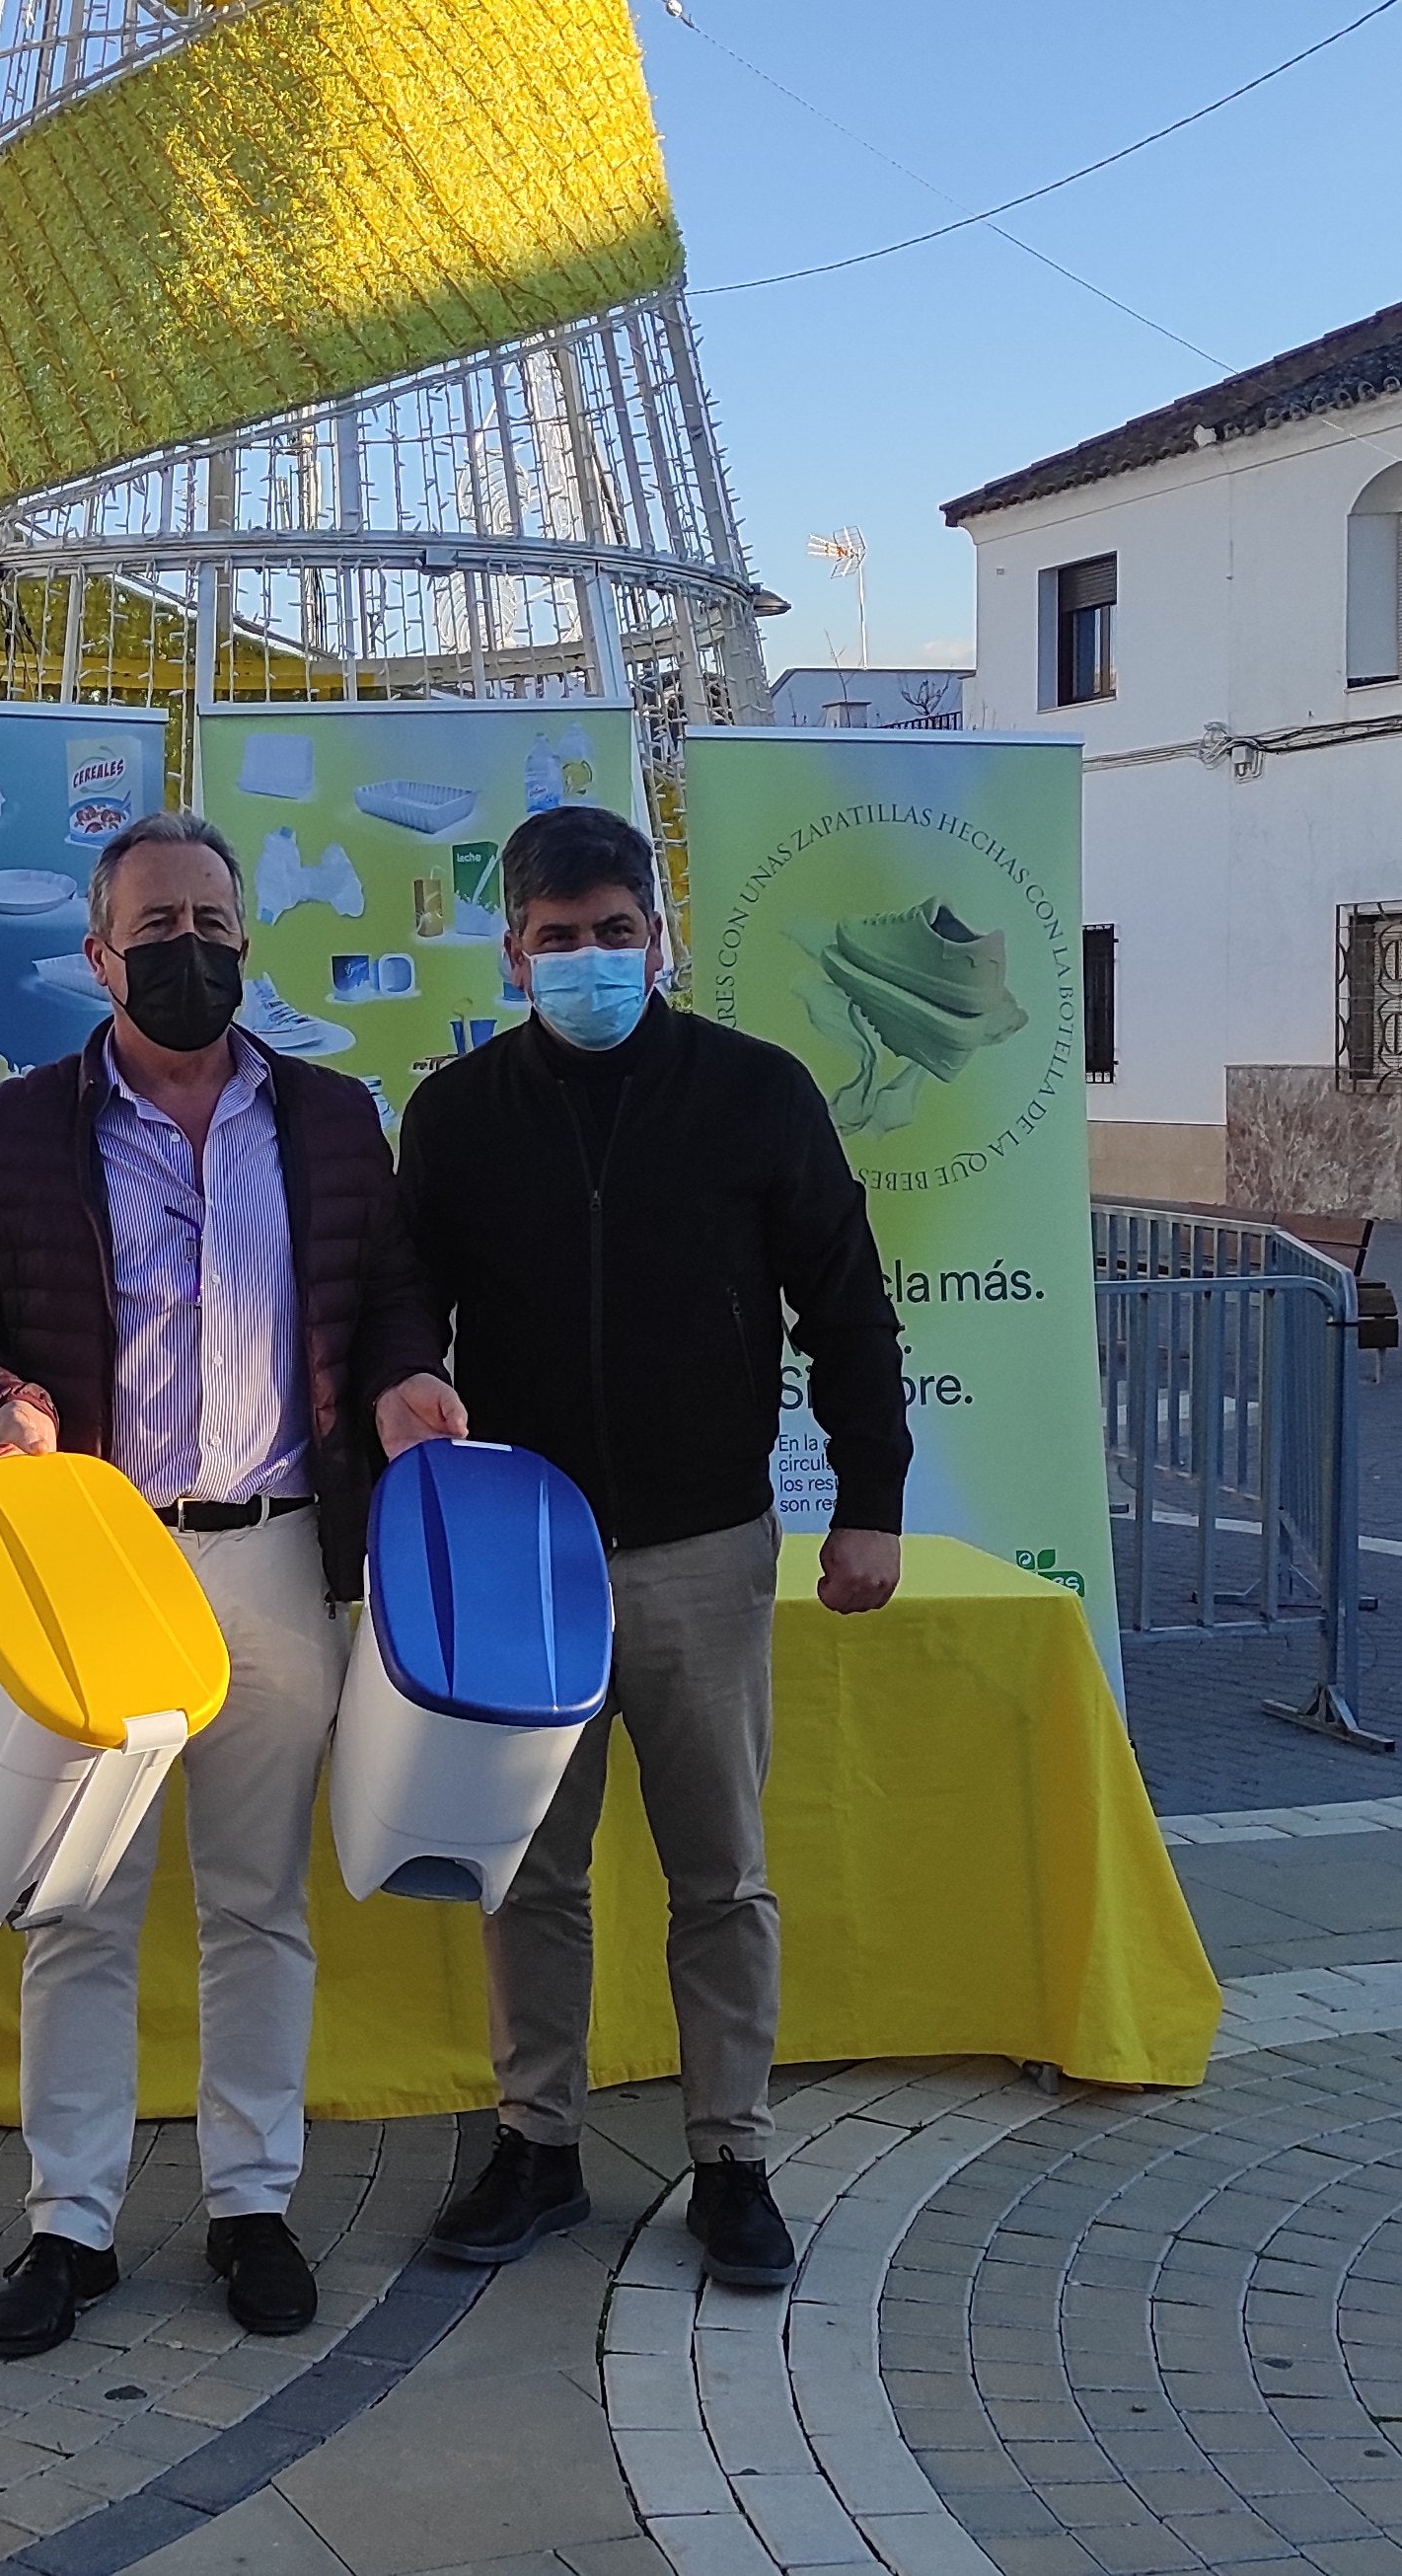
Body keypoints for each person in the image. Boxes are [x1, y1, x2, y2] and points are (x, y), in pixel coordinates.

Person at [0, 812, 453, 2360]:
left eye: (212, 918)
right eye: (155, 924)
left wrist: (409, 1378)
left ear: (247, 936)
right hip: (102, 1565)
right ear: (97, 951)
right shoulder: (12, 1135)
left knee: (259, 1903)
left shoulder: (332, 1121)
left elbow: (390, 1291)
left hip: (274, 1549)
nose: (186, 946)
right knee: (81, 1904)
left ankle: (250, 2202)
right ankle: (69, 2223)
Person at [384, 802, 908, 2294]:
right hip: (522, 1558)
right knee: (529, 1872)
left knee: (720, 1872)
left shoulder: (754, 1094)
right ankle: (537, 2140)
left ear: (661, 939)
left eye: (617, 933)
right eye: (559, 940)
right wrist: (407, 1384)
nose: (591, 960)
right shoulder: (459, 1114)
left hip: (704, 1546)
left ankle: (731, 2154)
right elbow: (405, 1299)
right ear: (514, 952)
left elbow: (848, 1301)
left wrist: (871, 1496)